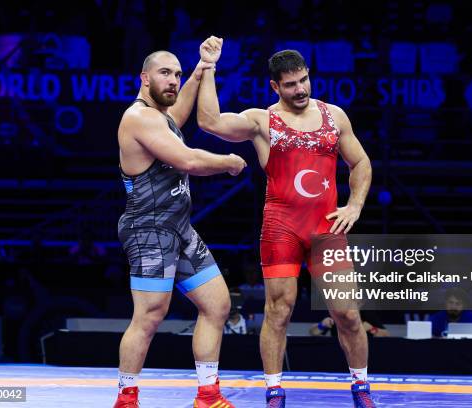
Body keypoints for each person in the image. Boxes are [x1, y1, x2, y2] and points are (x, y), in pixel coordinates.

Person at [197, 38, 374, 408]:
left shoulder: (334, 115)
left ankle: (361, 390)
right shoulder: (263, 121)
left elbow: (361, 162)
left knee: (348, 314)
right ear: (275, 86)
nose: (300, 89)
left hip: (327, 229)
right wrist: (207, 67)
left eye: (304, 80)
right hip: (281, 228)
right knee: (280, 310)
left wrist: (354, 206)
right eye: (291, 84)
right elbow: (209, 122)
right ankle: (275, 393)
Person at [114, 37, 247, 408]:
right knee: (150, 314)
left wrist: (203, 68)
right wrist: (228, 161)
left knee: (218, 304)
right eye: (165, 73)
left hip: (178, 228)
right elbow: (188, 161)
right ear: (144, 77)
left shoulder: (162, 117)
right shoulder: (138, 117)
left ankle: (208, 395)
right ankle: (126, 399)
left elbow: (180, 113)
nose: (173, 80)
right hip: (149, 229)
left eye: (176, 74)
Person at [310, 312, 390, 338]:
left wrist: (372, 329)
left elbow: (386, 335)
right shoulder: (335, 313)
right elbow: (313, 333)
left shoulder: (366, 314)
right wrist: (321, 325)